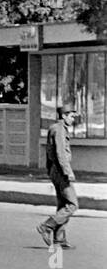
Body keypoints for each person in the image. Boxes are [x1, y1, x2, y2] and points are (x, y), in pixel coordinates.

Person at [38, 105, 79, 248]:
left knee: (63, 204)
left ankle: (59, 239)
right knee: (72, 205)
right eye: (72, 116)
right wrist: (67, 172)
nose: (73, 119)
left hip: (55, 170)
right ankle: (46, 226)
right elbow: (61, 154)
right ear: (64, 116)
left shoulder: (55, 128)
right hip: (61, 171)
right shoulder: (59, 130)